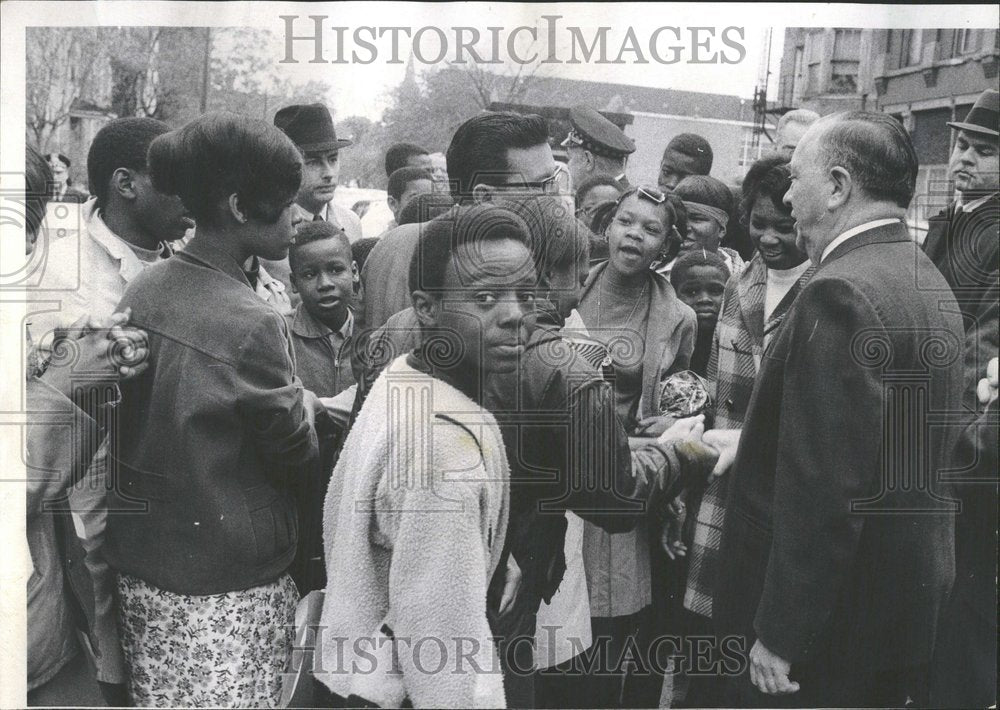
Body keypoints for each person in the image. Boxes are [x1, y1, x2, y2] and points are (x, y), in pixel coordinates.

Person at [714, 112, 964, 708]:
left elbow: (825, 485)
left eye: (795, 179)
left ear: (836, 186)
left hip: (829, 630)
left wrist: (780, 633)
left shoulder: (839, 290)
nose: (787, 196)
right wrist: (752, 442)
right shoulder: (919, 274)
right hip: (891, 607)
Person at [106, 112, 321, 707]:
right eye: (284, 203)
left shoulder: (146, 285)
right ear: (239, 207)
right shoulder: (252, 320)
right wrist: (310, 410)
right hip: (227, 584)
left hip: (146, 566)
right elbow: (292, 450)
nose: (297, 217)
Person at [316, 205, 531, 708]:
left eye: (526, 292)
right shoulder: (443, 449)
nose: (516, 313)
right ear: (425, 307)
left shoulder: (405, 377)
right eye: (485, 297)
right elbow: (439, 644)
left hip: (357, 665)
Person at [28, 117, 191, 704]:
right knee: (105, 664)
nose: (189, 194)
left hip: (171, 509)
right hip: (89, 510)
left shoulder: (188, 260)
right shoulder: (58, 269)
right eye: (174, 179)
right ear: (125, 183)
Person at [671, 153, 813, 708]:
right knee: (710, 644)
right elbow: (710, 398)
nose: (772, 239)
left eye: (785, 225)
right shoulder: (738, 285)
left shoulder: (826, 292)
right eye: (760, 225)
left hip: (780, 498)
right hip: (720, 494)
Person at [576, 185, 698, 707]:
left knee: (610, 624)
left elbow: (686, 403)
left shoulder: (679, 318)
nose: (634, 235)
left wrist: (671, 422)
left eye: (650, 229)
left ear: (666, 246)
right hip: (564, 474)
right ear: (608, 226)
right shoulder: (568, 287)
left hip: (630, 479)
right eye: (626, 221)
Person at [923, 85, 999, 710]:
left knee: (966, 611)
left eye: (987, 151)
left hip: (965, 441)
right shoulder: (952, 220)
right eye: (963, 146)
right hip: (932, 423)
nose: (965, 160)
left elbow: (983, 341)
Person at [360, 111, 569, 333]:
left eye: (554, 180)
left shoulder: (393, 241)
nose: (557, 196)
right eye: (543, 185)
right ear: (485, 197)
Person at [274, 103, 363, 243]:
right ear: (285, 166)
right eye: (313, 162)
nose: (328, 173)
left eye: (333, 159)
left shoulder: (351, 222)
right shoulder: (271, 230)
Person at [669, 250, 730, 377]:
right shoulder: (666, 343)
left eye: (715, 291)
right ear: (673, 295)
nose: (704, 299)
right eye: (691, 292)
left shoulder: (736, 343)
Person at [672, 175, 745, 278]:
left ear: (721, 229)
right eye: (679, 218)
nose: (684, 227)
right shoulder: (651, 273)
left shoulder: (745, 281)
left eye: (697, 219)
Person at [561, 105, 635, 191]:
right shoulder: (629, 198)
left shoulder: (598, 201)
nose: (568, 166)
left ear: (588, 160)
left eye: (570, 158)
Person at [385, 166, 434, 230]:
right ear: (393, 204)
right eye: (416, 199)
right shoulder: (387, 239)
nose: (425, 205)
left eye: (431, 199)